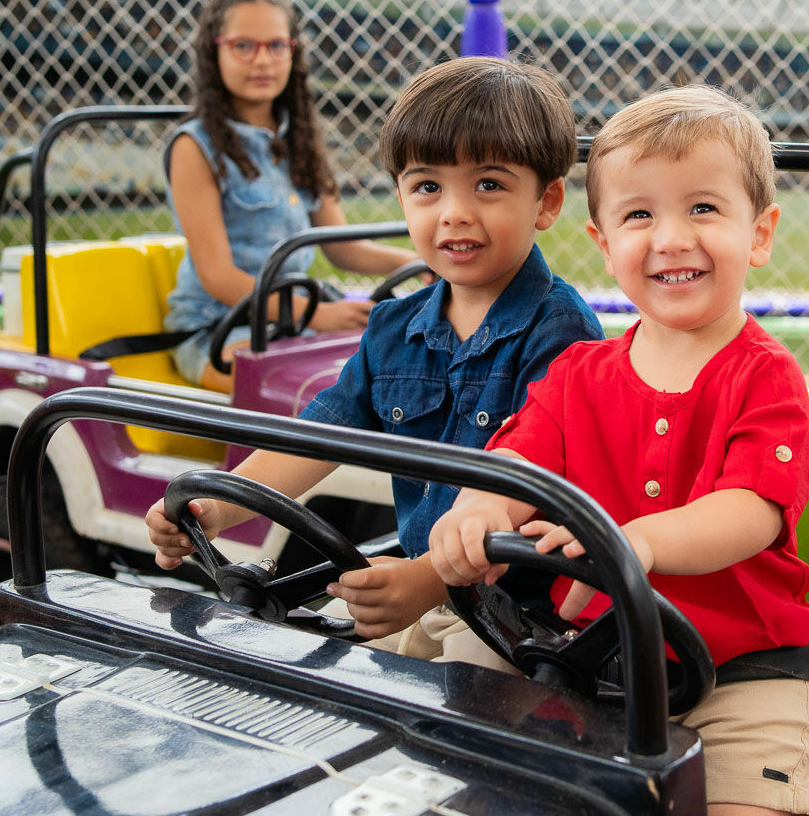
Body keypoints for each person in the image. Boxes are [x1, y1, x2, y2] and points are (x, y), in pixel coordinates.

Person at [427, 84, 809, 816]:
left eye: (705, 209)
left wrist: (635, 541)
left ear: (761, 233)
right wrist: (478, 506)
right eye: (640, 215)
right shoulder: (578, 374)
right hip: (577, 650)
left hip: (734, 670)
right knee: (439, 750)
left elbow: (749, 509)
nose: (671, 238)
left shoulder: (765, 377)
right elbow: (518, 462)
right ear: (604, 241)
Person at [145, 55, 604, 665]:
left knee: (459, 715)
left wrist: (426, 580)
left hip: (519, 614)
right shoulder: (393, 329)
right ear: (402, 197)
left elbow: (542, 490)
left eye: (488, 185)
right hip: (419, 593)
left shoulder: (561, 334)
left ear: (546, 203)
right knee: (304, 677)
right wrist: (219, 505)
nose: (454, 212)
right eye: (427, 187)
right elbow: (317, 436)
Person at [163, 0, 419, 391]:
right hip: (218, 328)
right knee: (313, 388)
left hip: (299, 315)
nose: (262, 60)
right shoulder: (193, 148)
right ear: (215, 52)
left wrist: (412, 262)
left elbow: (342, 247)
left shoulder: (300, 140)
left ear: (292, 52)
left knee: (403, 360)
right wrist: (311, 315)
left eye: (276, 45)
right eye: (244, 46)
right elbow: (219, 278)